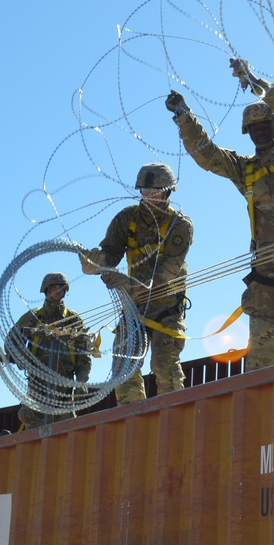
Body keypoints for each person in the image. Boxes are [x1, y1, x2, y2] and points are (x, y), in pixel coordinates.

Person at [165, 59, 274, 370]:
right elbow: (208, 155)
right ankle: (260, 389)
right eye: (253, 129)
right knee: (261, 337)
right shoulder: (246, 169)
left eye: (264, 126)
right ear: (247, 132)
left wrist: (257, 83)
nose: (259, 133)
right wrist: (184, 118)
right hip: (266, 259)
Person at [80, 163, 193, 402]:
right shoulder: (126, 218)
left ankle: (174, 417)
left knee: (165, 364)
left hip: (167, 308)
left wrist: (126, 282)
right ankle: (133, 421)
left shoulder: (180, 225)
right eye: (145, 190)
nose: (149, 196)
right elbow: (110, 253)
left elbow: (165, 275)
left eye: (156, 191)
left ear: (168, 191)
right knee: (123, 366)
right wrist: (96, 263)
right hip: (135, 309)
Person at [6, 272, 91, 429]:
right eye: (54, 287)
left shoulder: (73, 320)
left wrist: (81, 381)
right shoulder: (34, 317)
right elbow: (11, 342)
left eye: (61, 288)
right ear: (46, 290)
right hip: (38, 384)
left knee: (67, 430)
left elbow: (83, 355)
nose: (58, 291)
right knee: (30, 423)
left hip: (64, 387)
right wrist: (24, 360)